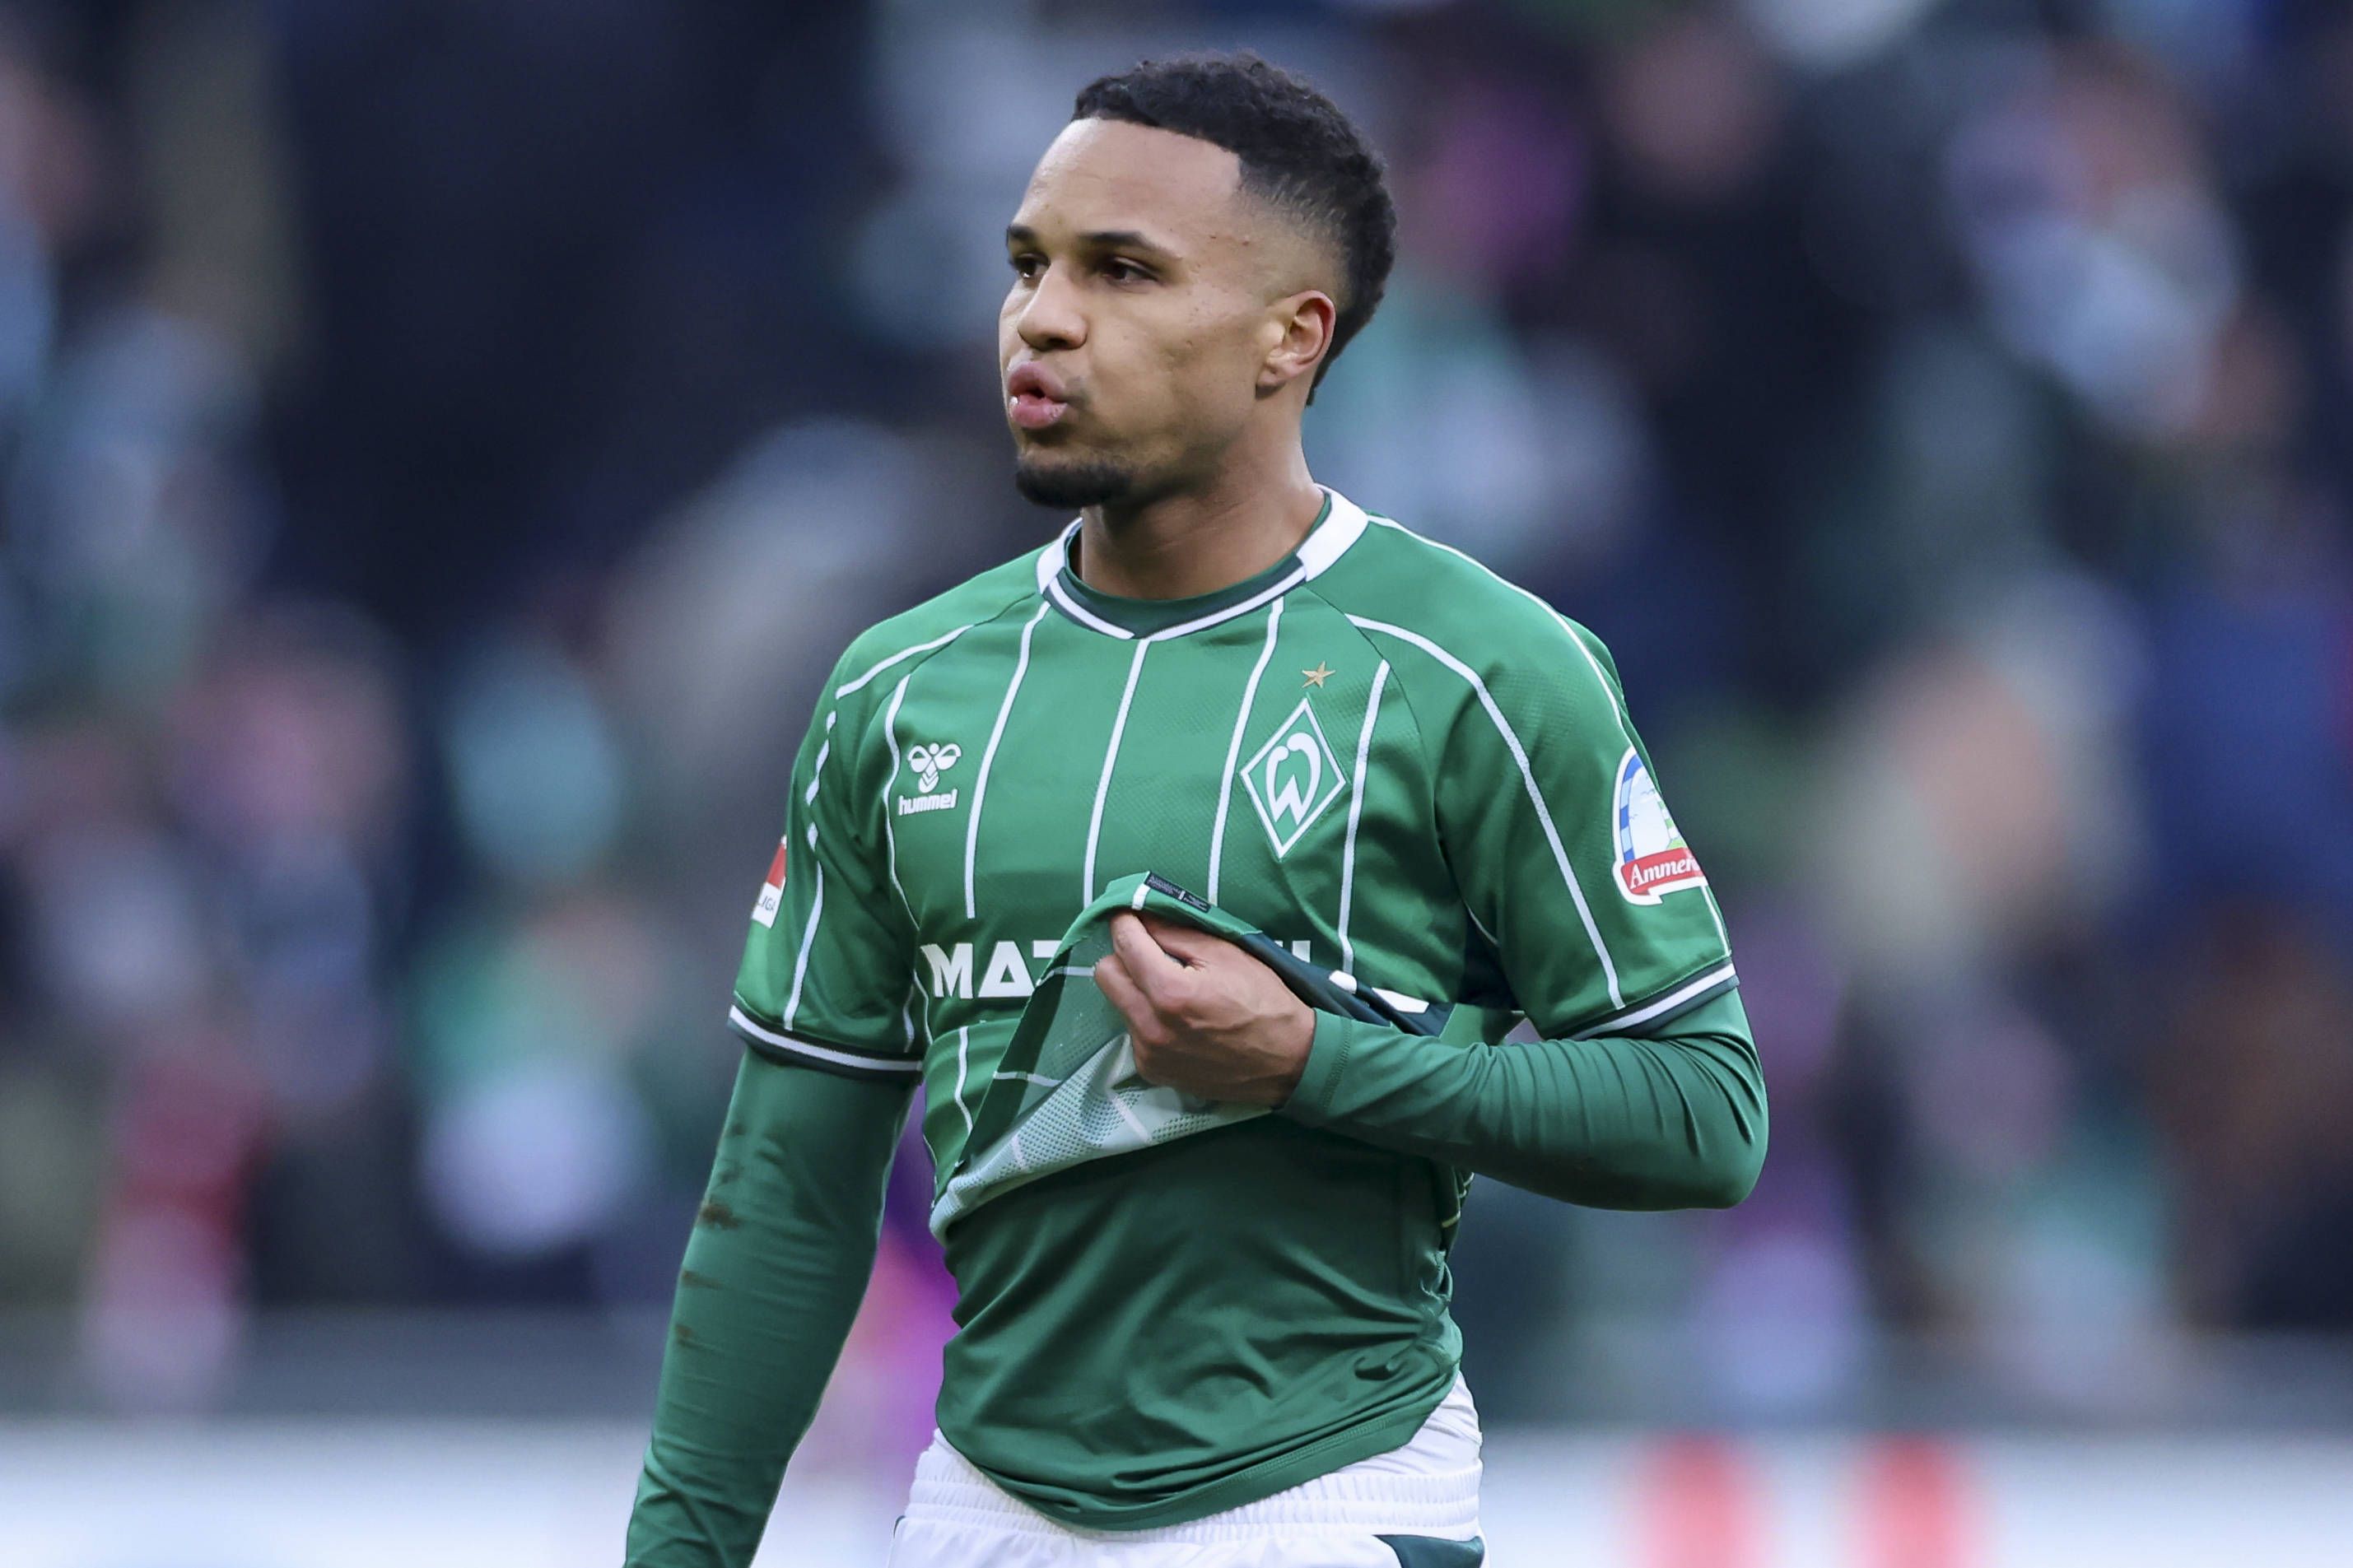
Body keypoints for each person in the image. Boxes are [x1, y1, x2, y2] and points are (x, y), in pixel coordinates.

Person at [623, 50, 1766, 1568]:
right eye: (1028, 265)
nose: (1042, 315)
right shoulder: (897, 690)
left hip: (1323, 1500)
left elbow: (1704, 1114)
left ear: (1289, 337)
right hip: (981, 1507)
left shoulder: (1478, 666)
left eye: (1124, 271)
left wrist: (1314, 1064)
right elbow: (783, 1194)